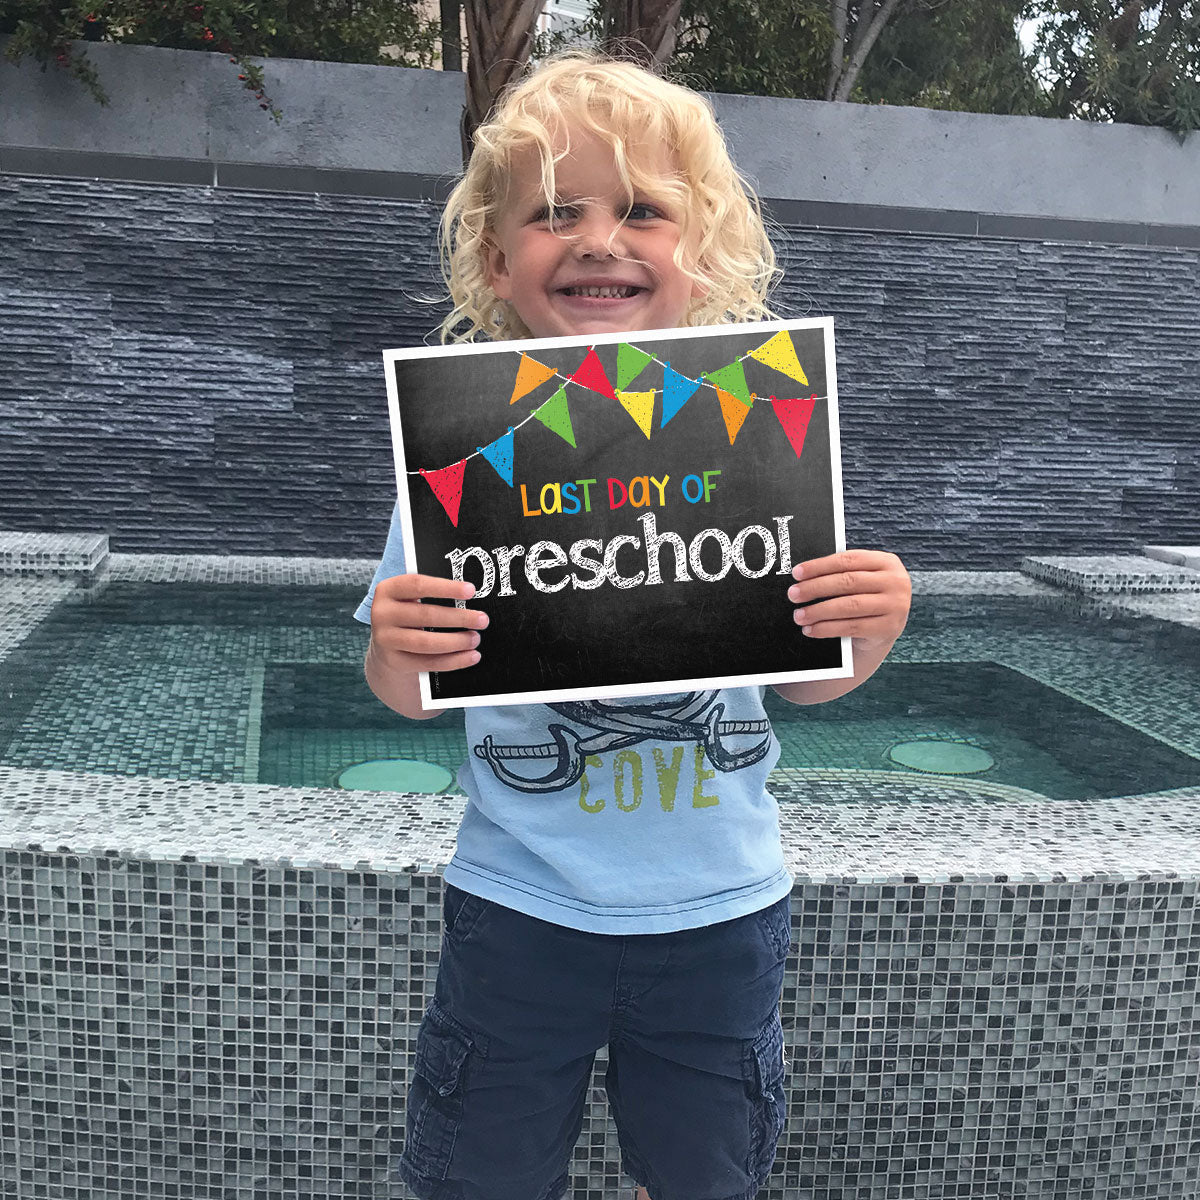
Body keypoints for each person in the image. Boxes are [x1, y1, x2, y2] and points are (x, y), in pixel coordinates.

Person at [354, 51, 911, 1200]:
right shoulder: (463, 460)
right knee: (480, 1177)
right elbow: (407, 691)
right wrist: (395, 651)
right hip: (519, 909)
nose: (599, 240)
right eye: (557, 213)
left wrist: (868, 630)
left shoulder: (758, 440)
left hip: (720, 916)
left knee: (704, 1177)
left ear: (699, 250)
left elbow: (806, 677)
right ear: (497, 259)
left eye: (643, 212)